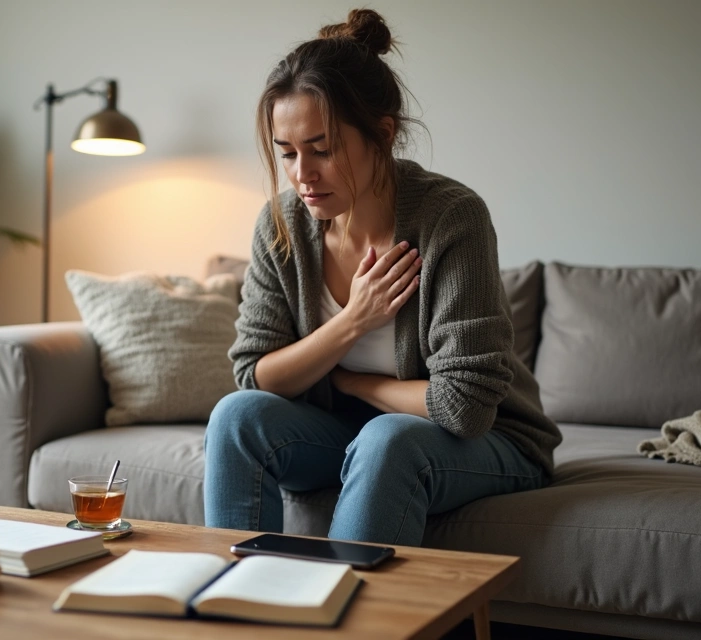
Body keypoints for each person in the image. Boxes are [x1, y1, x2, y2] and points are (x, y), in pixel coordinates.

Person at [203, 8, 563, 546]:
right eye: (289, 154)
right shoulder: (282, 226)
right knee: (235, 417)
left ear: (382, 134)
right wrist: (352, 322)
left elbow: (463, 407)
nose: (303, 174)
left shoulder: (450, 218)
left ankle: (343, 622)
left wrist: (352, 382)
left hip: (490, 441)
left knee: (387, 439)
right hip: (350, 433)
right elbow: (256, 375)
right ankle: (235, 608)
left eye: (322, 150)